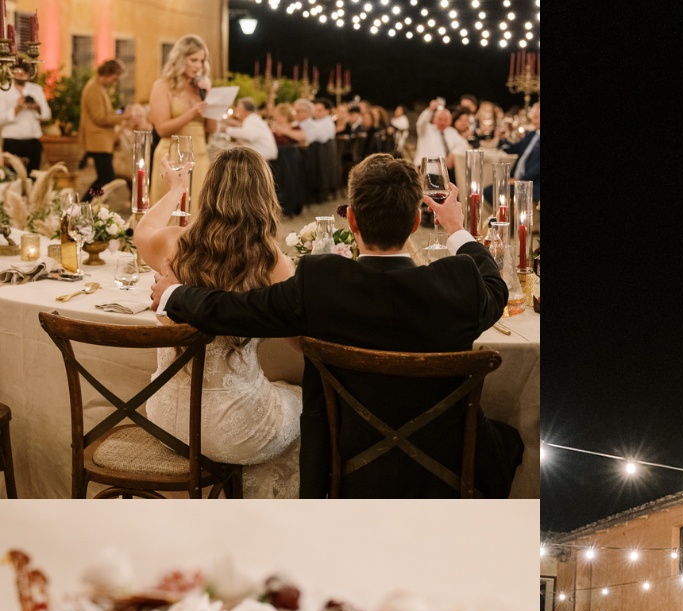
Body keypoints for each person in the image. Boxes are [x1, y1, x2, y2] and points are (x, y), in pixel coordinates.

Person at [151, 153, 523, 499]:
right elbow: (496, 287)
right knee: (512, 436)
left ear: (352, 220)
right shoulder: (460, 285)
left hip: (345, 465)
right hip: (446, 470)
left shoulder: (320, 282)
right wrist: (457, 228)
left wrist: (175, 294)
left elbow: (233, 309)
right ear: (415, 222)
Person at [134, 147, 302, 497]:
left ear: (207, 192)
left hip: (166, 419)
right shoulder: (270, 260)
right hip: (235, 427)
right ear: (264, 197)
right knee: (301, 400)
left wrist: (175, 190)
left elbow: (142, 231)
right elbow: (300, 342)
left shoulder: (174, 244)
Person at [148, 34, 216, 207]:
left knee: (197, 212)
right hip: (172, 158)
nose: (198, 66)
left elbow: (212, 128)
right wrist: (191, 113)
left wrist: (210, 97)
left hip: (199, 157)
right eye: (193, 60)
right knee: (169, 212)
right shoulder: (163, 86)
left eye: (201, 61)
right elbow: (162, 129)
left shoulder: (200, 89)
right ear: (180, 59)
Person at [77, 59, 124, 197]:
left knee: (104, 177)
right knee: (107, 178)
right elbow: (100, 118)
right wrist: (123, 117)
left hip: (102, 141)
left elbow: (106, 114)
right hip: (98, 141)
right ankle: (86, 204)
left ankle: (89, 205)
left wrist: (119, 113)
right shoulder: (93, 89)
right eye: (114, 78)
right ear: (108, 73)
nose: (114, 82)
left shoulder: (99, 88)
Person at [0, 60, 50, 172]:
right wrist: (16, 108)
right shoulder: (4, 91)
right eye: (17, 73)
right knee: (14, 178)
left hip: (32, 141)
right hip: (12, 141)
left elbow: (47, 115)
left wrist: (37, 107)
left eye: (23, 74)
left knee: (33, 177)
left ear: (28, 75)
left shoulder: (36, 90)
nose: (20, 76)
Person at [500, 99, 540, 200]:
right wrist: (502, 139)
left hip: (532, 184)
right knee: (492, 190)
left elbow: (537, 168)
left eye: (536, 117)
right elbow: (512, 149)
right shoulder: (531, 134)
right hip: (517, 180)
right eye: (532, 117)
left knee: (495, 191)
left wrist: (520, 180)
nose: (533, 121)